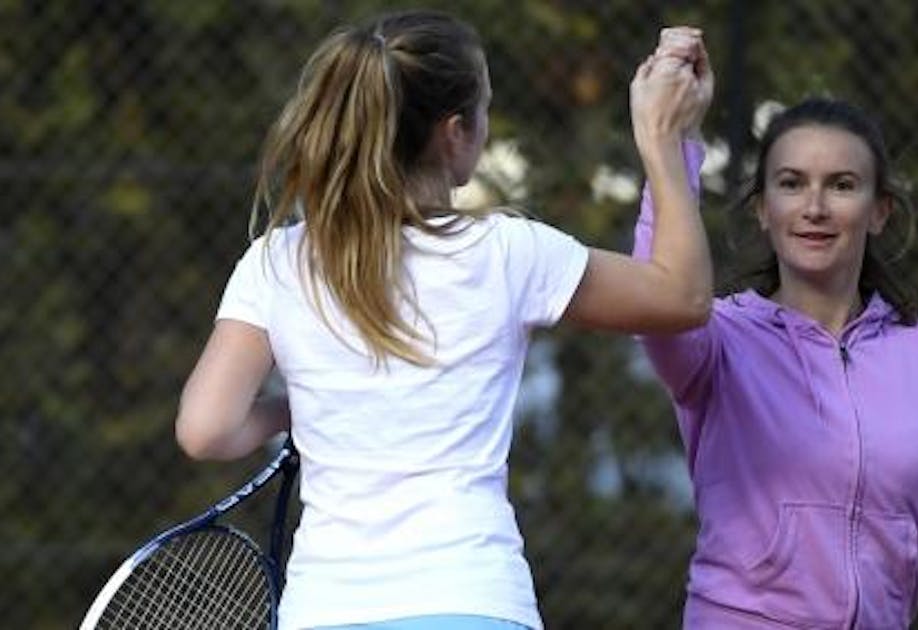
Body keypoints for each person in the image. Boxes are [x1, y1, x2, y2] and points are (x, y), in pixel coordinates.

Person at [174, 10, 713, 630]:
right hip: (473, 600)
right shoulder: (506, 253)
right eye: (484, 109)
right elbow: (683, 299)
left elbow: (206, 429)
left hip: (324, 612)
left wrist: (303, 407)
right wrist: (663, 139)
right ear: (455, 133)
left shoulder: (277, 260)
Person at [633, 95, 918, 627]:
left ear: (879, 210)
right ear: (762, 208)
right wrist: (673, 141)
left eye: (842, 185)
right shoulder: (720, 339)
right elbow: (657, 302)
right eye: (791, 183)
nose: (815, 206)